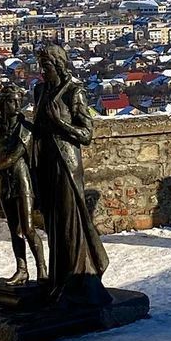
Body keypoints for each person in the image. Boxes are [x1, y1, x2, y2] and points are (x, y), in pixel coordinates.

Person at [31, 44, 111, 307]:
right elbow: (38, 125)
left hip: (66, 164)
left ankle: (77, 278)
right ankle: (58, 280)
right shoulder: (40, 91)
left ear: (59, 65)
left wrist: (60, 123)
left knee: (69, 221)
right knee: (53, 222)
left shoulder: (73, 92)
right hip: (45, 162)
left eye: (47, 66)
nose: (42, 72)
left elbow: (86, 134)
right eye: (41, 67)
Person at [0, 84, 47, 286]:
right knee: (14, 230)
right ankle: (22, 270)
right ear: (3, 103)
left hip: (22, 181)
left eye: (19, 100)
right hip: (4, 183)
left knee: (28, 228)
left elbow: (15, 156)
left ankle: (42, 270)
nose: (17, 104)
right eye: (12, 100)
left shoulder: (25, 128)